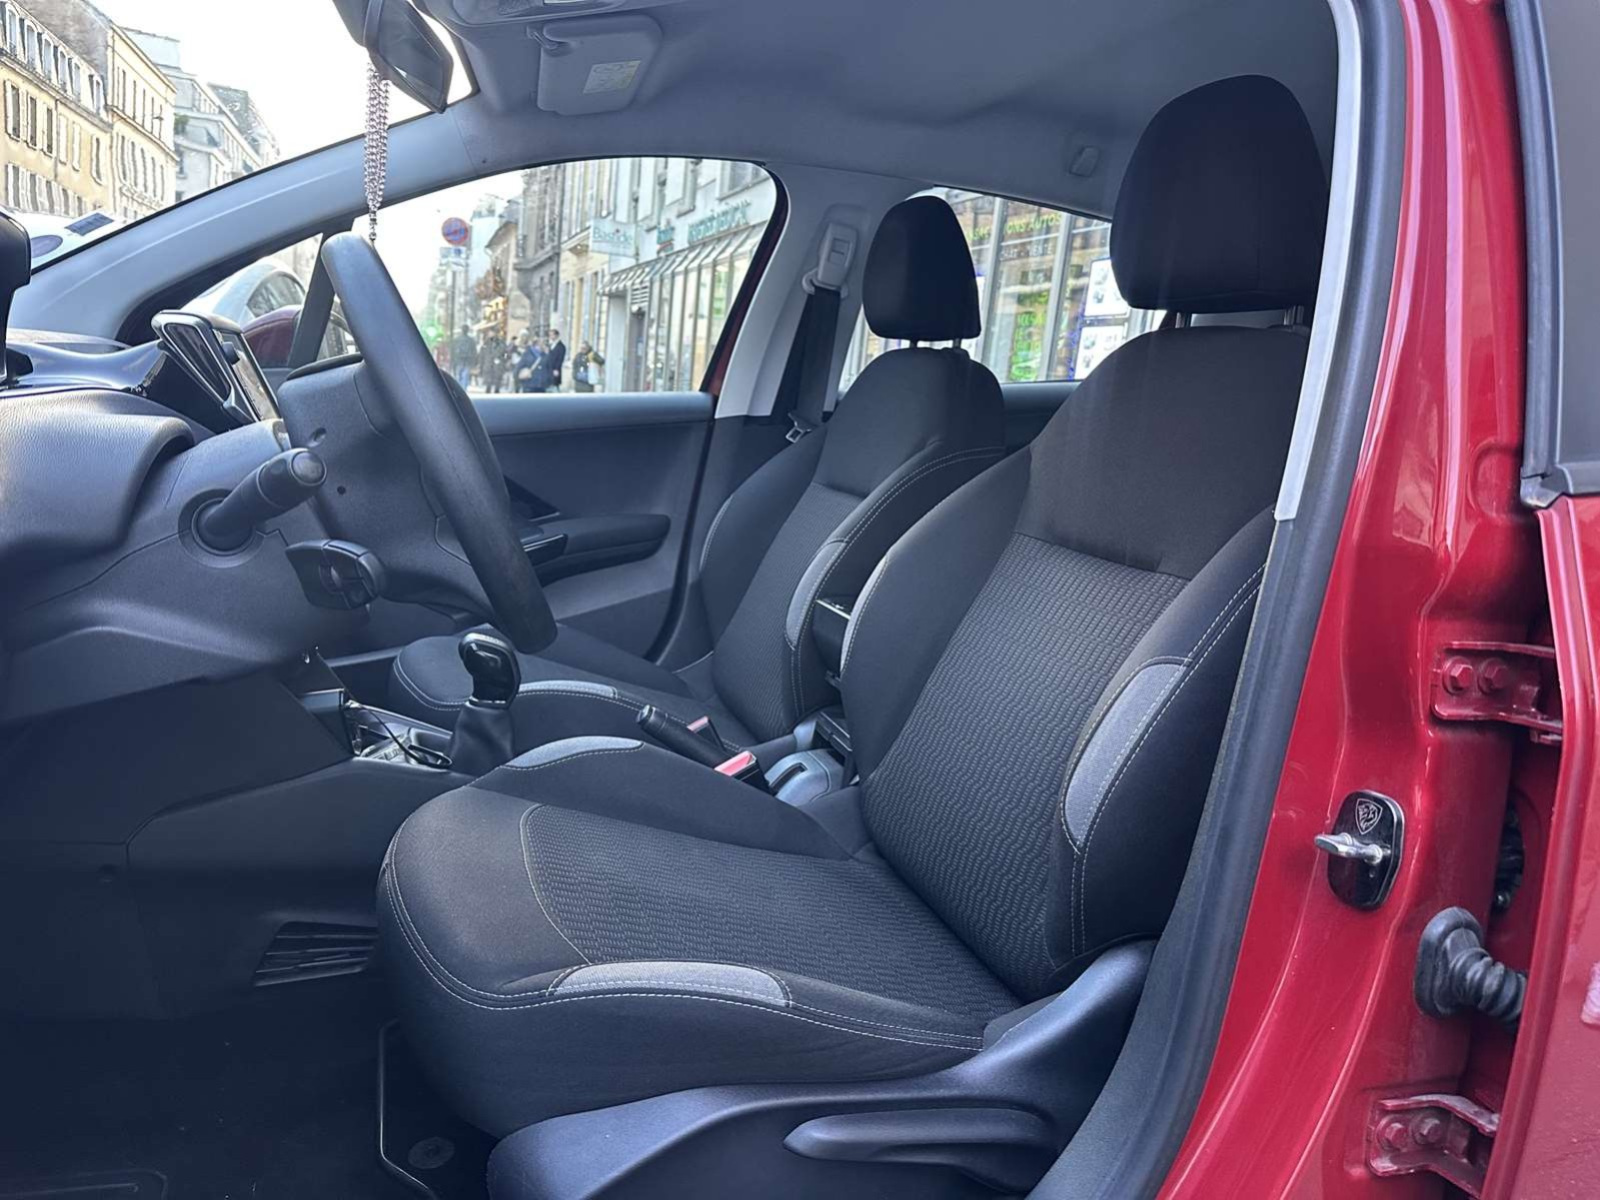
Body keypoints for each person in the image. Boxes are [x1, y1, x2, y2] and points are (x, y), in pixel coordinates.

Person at [533, 327, 566, 393]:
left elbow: (560, 359)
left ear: (556, 335)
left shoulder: (561, 346)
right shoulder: (550, 344)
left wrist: (556, 369)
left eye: (552, 335)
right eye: (550, 335)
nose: (550, 336)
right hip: (548, 369)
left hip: (555, 369)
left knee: (554, 385)